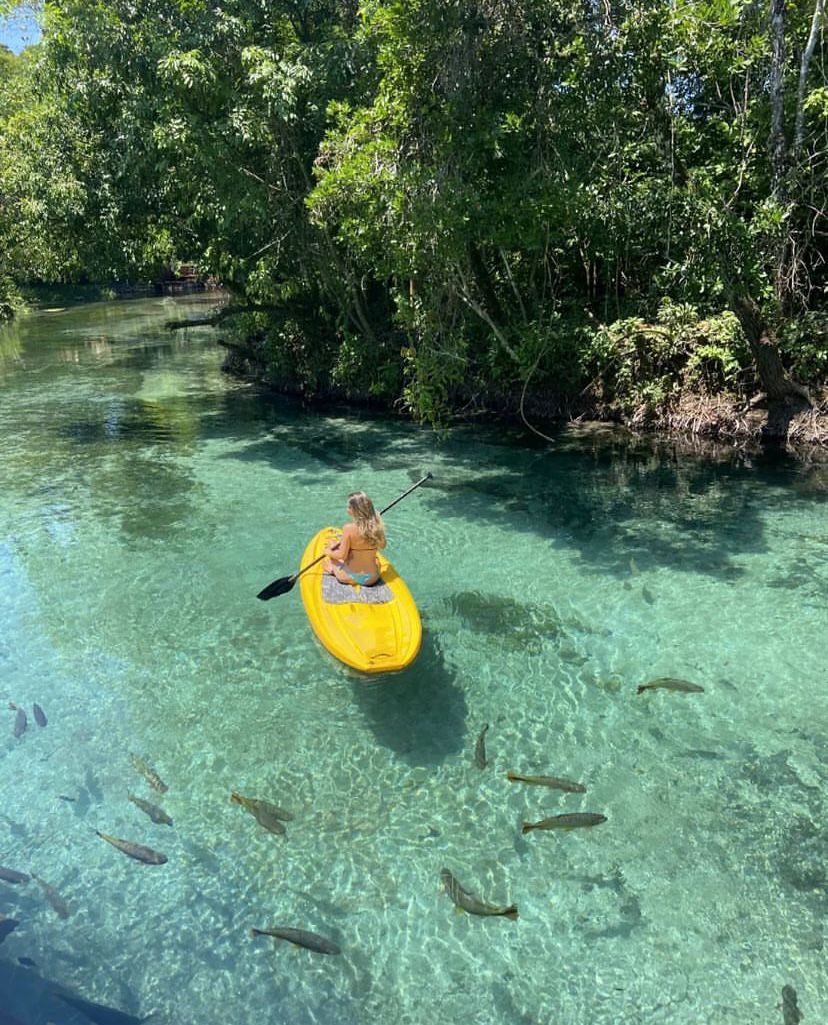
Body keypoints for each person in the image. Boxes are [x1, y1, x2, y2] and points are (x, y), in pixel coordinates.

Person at [323, 491, 385, 586]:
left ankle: (332, 570)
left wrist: (329, 552)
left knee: (332, 559)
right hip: (372, 578)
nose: (347, 509)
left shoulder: (348, 528)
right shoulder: (377, 528)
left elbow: (341, 555)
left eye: (349, 507)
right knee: (376, 560)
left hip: (349, 577)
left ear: (355, 510)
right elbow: (383, 545)